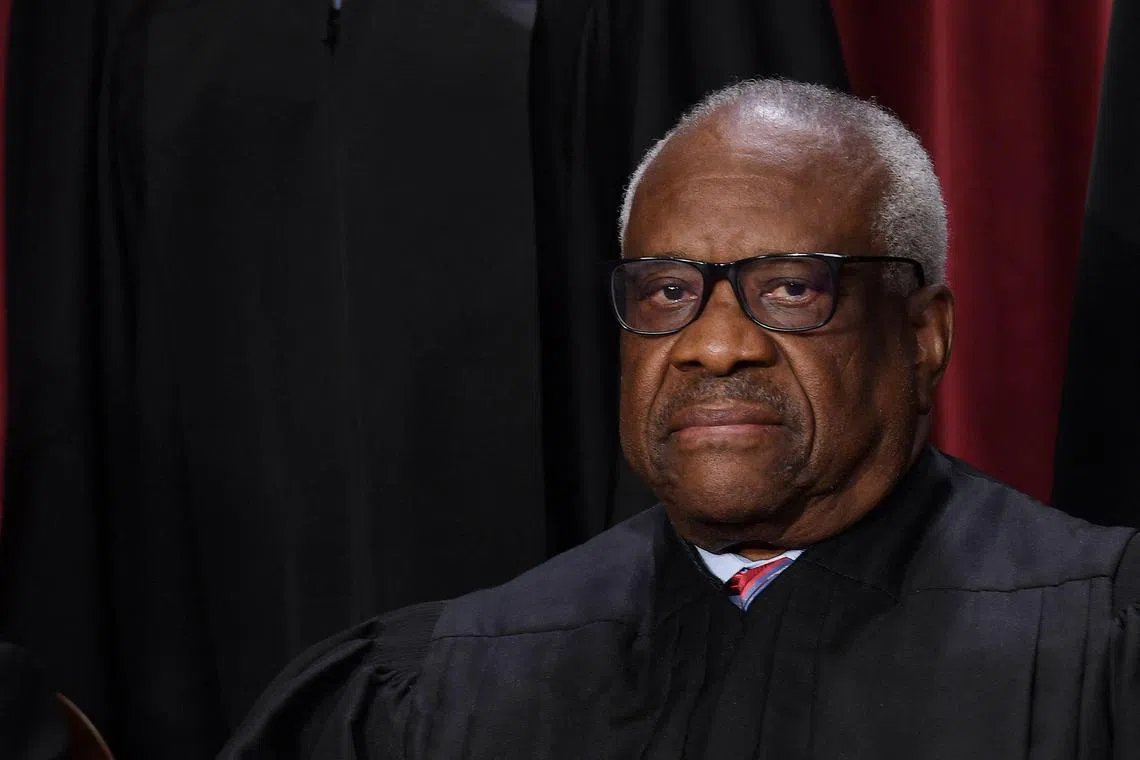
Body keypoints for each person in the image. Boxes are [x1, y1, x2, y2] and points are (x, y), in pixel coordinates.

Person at [219, 80, 1140, 759]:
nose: (714, 345)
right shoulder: (450, 685)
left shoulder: (1099, 646)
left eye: (790, 288)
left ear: (922, 336)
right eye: (666, 291)